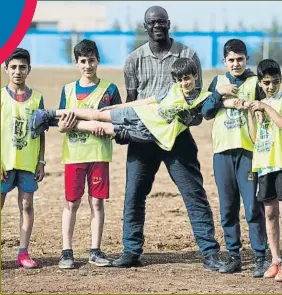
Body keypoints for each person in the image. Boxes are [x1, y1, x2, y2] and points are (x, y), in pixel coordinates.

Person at [110, 6, 223, 270]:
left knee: (194, 194)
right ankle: (131, 250)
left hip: (177, 138)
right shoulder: (133, 60)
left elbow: (196, 100)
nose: (157, 26)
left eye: (161, 22)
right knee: (134, 195)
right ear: (145, 26)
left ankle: (209, 252)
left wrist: (186, 120)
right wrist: (126, 132)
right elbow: (132, 101)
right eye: (152, 22)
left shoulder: (188, 55)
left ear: (169, 23)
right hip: (144, 137)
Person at [31, 58, 211, 152]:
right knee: (98, 114)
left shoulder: (203, 98)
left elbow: (216, 105)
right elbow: (146, 101)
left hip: (147, 133)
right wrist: (118, 107)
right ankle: (48, 114)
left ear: (195, 76)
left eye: (187, 78)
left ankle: (52, 123)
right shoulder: (172, 90)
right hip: (140, 114)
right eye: (179, 79)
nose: (183, 83)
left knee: (100, 127)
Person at [201, 39, 268, 277]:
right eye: (231, 60)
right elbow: (206, 112)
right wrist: (219, 94)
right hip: (222, 153)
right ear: (224, 62)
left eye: (240, 59)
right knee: (228, 207)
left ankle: (261, 256)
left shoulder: (254, 82)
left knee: (252, 206)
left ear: (247, 59)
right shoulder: (218, 82)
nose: (236, 63)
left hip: (248, 153)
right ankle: (233, 255)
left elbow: (265, 109)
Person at [56, 39, 122, 269]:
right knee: (71, 203)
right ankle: (67, 252)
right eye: (83, 61)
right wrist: (67, 126)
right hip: (74, 155)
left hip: (98, 155)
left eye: (91, 60)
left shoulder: (110, 90)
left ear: (98, 61)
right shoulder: (68, 90)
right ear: (76, 63)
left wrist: (108, 130)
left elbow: (119, 123)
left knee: (96, 203)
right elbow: (61, 125)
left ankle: (95, 250)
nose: (87, 65)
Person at [1, 48, 46, 269]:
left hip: (28, 162)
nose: (18, 71)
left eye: (22, 67)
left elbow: (41, 132)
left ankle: (23, 251)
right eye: (14, 67)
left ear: (29, 70)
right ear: (6, 68)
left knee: (26, 206)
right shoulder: (0, 97)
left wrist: (41, 161)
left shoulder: (37, 99)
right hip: (4, 163)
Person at [247, 59, 282, 282]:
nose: (271, 86)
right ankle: (276, 260)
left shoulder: (276, 103)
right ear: (260, 82)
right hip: (265, 165)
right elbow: (254, 138)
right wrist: (252, 113)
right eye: (267, 82)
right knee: (269, 213)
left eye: (276, 82)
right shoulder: (261, 104)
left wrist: (266, 108)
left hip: (281, 163)